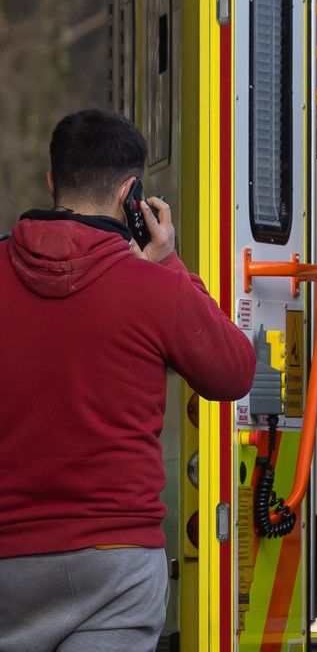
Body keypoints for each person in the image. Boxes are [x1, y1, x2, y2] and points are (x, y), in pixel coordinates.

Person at [0, 109, 256, 651]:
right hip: (115, 566)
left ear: (52, 180)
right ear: (131, 193)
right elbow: (234, 371)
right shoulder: (153, 288)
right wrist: (169, 265)